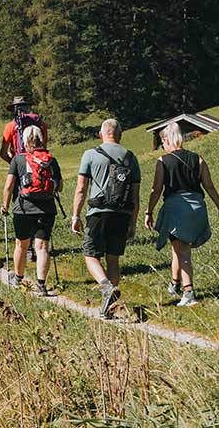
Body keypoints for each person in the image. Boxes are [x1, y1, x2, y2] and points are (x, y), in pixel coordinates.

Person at [144, 122, 219, 307]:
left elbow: (156, 190)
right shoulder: (198, 159)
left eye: (162, 142)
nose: (162, 146)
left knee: (183, 252)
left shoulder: (163, 162)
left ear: (167, 140)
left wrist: (148, 211)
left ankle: (189, 292)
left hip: (177, 209)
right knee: (179, 246)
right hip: (197, 208)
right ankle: (174, 283)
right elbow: (209, 186)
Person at [70, 119, 140, 318]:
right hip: (122, 214)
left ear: (101, 134)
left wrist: (76, 215)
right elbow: (135, 196)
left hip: (97, 213)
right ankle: (108, 308)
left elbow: (81, 189)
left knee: (90, 254)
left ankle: (106, 287)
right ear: (120, 135)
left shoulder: (91, 155)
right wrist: (133, 223)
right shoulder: (131, 158)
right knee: (113, 260)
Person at [1, 124, 61, 295]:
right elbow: (59, 186)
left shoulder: (18, 159)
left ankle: (18, 278)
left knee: (21, 244)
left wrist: (5, 206)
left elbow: (9, 186)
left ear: (25, 142)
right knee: (42, 246)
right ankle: (41, 285)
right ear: (42, 140)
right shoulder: (51, 160)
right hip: (47, 208)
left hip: (23, 209)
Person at [0, 96, 46, 163]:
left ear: (14, 110)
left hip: (20, 163)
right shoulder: (41, 124)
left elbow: (3, 154)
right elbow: (43, 146)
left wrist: (14, 164)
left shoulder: (10, 126)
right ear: (28, 108)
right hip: (38, 162)